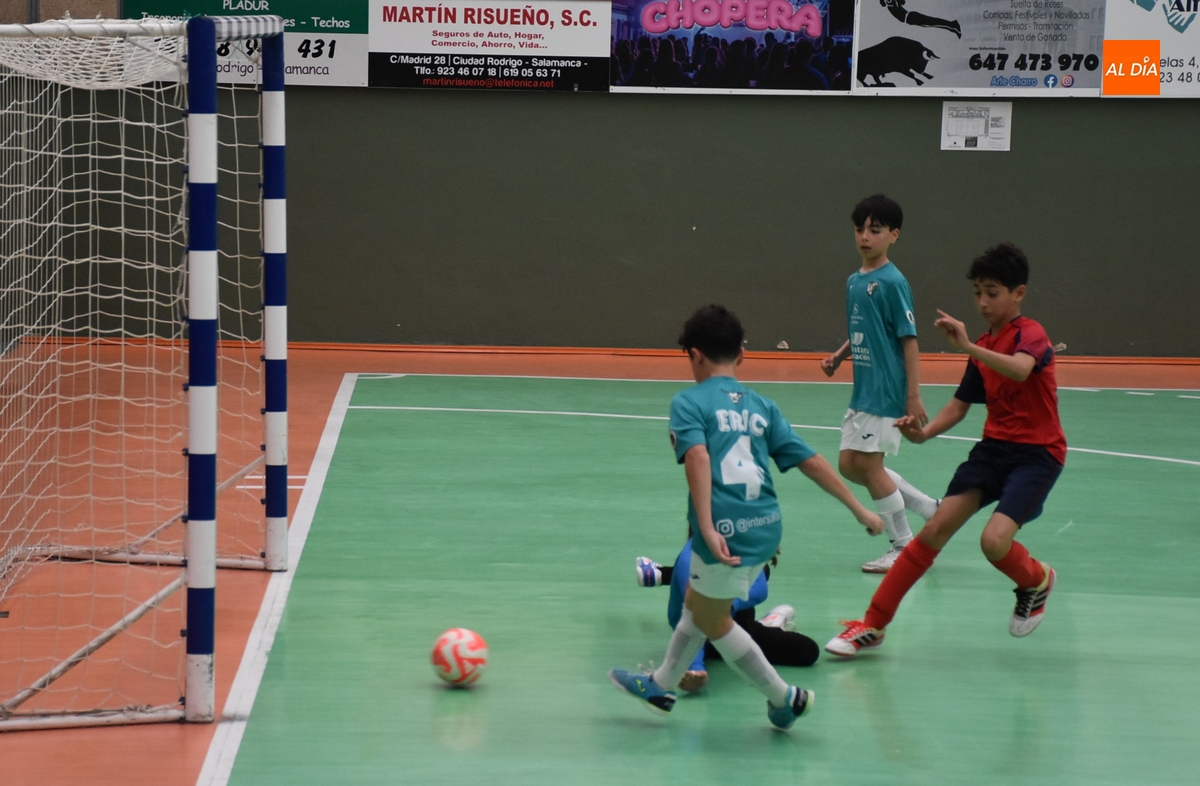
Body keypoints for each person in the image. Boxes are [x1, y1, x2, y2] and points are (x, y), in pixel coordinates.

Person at [609, 304, 884, 730]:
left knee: (714, 620)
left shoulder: (688, 402)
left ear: (694, 355)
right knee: (698, 604)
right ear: (741, 354)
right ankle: (661, 687)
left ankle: (785, 698)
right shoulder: (762, 406)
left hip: (725, 529)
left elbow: (698, 457)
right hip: (766, 527)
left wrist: (705, 527)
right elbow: (810, 460)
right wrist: (859, 508)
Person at [825, 243, 1063, 658]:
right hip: (993, 451)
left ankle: (1035, 579)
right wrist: (924, 434)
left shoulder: (1030, 334)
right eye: (977, 293)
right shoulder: (984, 344)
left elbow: (1021, 369)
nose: (982, 302)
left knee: (993, 542)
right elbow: (958, 406)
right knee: (933, 531)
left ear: (1018, 293)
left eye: (992, 293)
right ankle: (873, 625)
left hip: (1037, 456)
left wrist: (969, 347)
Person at [822, 194, 940, 574]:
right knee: (849, 465)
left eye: (875, 230)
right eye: (860, 229)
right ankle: (928, 508)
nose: (865, 237)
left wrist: (913, 395)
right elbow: (866, 328)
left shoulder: (893, 282)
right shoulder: (854, 281)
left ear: (894, 235)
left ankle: (903, 546)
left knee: (870, 467)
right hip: (863, 390)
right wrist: (840, 355)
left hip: (886, 390)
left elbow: (909, 339)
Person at [635, 541, 820, 693]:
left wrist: (729, 605)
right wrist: (696, 669)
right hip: (705, 634)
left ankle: (660, 573)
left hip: (731, 620)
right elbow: (695, 619)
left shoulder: (737, 544)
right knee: (807, 650)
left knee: (761, 571)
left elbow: (760, 588)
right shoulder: (690, 560)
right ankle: (769, 628)